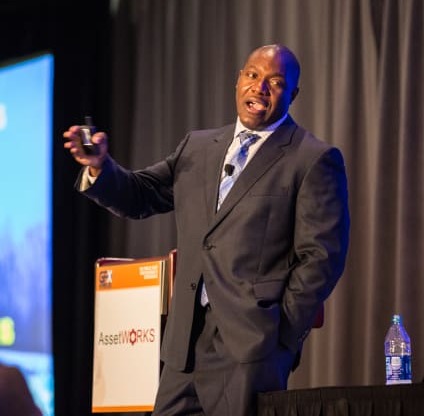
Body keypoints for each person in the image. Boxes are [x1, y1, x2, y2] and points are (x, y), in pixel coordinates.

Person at [64, 44, 350, 416]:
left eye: (276, 82)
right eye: (252, 75)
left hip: (251, 348)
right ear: (238, 80)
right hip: (184, 345)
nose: (260, 87)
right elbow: (141, 195)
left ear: (293, 95)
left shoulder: (312, 159)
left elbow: (322, 258)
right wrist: (100, 167)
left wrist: (278, 334)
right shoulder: (198, 147)